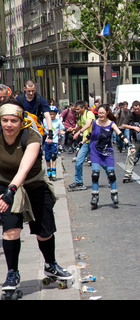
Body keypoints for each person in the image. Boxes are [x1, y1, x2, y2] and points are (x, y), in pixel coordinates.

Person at [0, 101, 72, 292]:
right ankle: (12, 273)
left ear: (21, 121)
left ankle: (50, 265)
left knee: (44, 231)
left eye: (13, 121)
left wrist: (11, 191)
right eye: (5, 120)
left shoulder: (31, 136)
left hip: (33, 183)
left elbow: (24, 168)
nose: (8, 125)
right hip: (5, 184)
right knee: (11, 230)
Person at [84, 104, 132, 209]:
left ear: (106, 113)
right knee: (95, 174)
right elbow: (89, 135)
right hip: (95, 151)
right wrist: (80, 143)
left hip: (107, 152)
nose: (100, 115)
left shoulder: (111, 124)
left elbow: (120, 134)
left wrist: (128, 144)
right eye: (99, 113)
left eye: (102, 113)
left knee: (111, 174)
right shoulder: (95, 123)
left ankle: (114, 193)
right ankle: (94, 196)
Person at [68, 100, 95, 191]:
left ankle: (110, 174)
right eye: (75, 109)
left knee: (100, 162)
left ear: (83, 108)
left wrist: (79, 132)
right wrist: (74, 129)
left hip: (94, 141)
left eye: (78, 109)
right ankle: (79, 181)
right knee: (79, 161)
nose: (76, 111)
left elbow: (87, 125)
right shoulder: (80, 115)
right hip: (85, 142)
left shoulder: (89, 113)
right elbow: (81, 125)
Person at [122, 100, 140, 183]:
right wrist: (134, 127)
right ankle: (128, 174)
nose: (136, 111)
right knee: (130, 155)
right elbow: (123, 125)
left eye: (138, 109)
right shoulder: (131, 115)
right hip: (134, 139)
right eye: (135, 109)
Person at [43, 106, 65, 181]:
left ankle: (54, 171)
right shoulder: (44, 120)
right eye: (50, 114)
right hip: (46, 141)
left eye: (53, 114)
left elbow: (61, 129)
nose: (52, 116)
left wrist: (63, 132)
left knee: (53, 156)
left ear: (56, 114)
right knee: (47, 157)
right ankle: (49, 171)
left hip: (54, 141)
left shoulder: (58, 121)